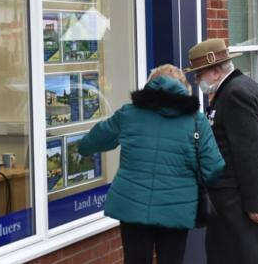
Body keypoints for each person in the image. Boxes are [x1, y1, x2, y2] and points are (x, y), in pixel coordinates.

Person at [78, 64, 225, 264]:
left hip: (132, 206)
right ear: (183, 87)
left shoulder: (128, 114)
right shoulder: (197, 121)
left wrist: (80, 148)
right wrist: (192, 181)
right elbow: (214, 167)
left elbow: (90, 143)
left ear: (150, 85)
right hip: (177, 208)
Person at [184, 39, 258, 264]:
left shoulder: (234, 95)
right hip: (247, 195)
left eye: (199, 74)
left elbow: (249, 152)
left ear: (217, 71)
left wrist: (253, 204)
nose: (197, 80)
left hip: (241, 201)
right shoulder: (244, 87)